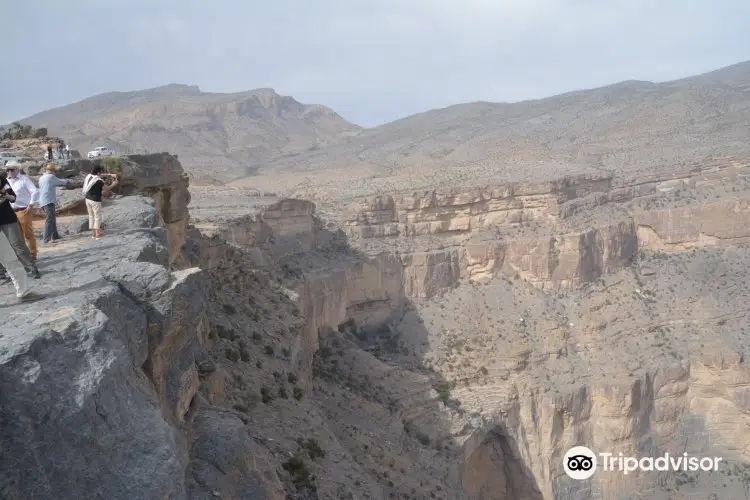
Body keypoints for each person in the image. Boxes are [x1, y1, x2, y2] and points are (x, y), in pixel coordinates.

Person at [0, 170, 43, 301]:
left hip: (7, 219)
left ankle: (24, 290)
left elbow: (12, 197)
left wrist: (5, 197)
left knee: (13, 255)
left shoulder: (3, 181)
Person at [5, 161, 40, 260]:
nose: (10, 172)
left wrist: (31, 204)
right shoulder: (6, 181)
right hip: (11, 212)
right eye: (8, 170)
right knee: (17, 236)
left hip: (23, 210)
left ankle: (33, 254)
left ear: (17, 169)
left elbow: (34, 191)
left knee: (28, 234)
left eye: (12, 169)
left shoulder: (24, 179)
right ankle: (23, 256)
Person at [82, 165, 118, 240]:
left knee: (91, 216)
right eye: (101, 172)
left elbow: (100, 175)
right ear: (98, 172)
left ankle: (93, 234)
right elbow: (107, 189)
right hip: (95, 200)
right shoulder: (99, 181)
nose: (101, 174)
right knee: (97, 217)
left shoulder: (89, 176)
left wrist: (110, 174)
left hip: (87, 199)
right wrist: (114, 184)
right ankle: (97, 235)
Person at [38, 163, 70, 244]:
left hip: (42, 201)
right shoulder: (51, 177)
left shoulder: (41, 178)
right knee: (49, 220)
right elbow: (61, 182)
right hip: (48, 201)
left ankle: (55, 235)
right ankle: (46, 238)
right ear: (53, 171)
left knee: (52, 219)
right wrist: (68, 181)